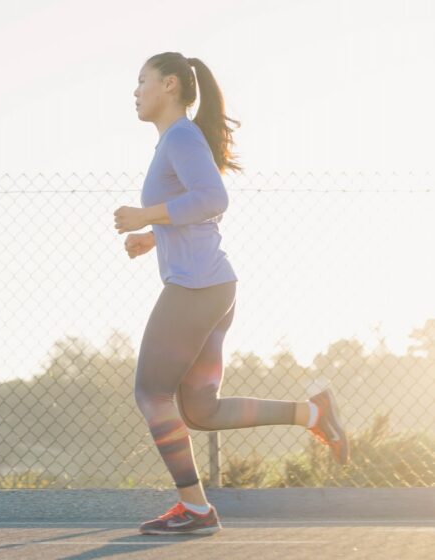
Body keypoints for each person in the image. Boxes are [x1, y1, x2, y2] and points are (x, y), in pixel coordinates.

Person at [113, 52, 350, 536]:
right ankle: (314, 412)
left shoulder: (179, 136)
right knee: (200, 409)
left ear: (171, 85)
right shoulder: (176, 141)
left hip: (197, 288)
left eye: (143, 81)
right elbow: (200, 210)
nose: (135, 91)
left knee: (151, 392)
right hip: (213, 286)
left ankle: (196, 510)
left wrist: (146, 215)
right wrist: (153, 235)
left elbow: (214, 199)